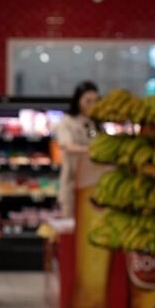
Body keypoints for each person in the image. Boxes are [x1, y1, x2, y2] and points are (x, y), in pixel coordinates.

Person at [55, 81, 100, 219]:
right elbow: (67, 145)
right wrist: (91, 151)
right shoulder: (67, 122)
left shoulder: (94, 122)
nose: (91, 105)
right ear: (78, 100)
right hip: (72, 183)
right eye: (88, 101)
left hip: (93, 184)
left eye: (95, 101)